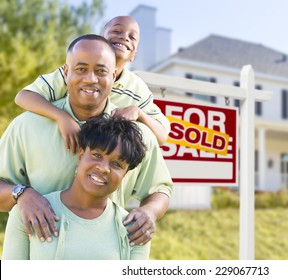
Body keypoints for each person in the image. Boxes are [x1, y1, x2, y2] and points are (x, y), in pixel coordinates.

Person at [0, 34, 172, 248]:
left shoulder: (138, 135)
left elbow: (160, 189)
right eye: (81, 69)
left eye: (101, 71)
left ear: (114, 74)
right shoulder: (26, 126)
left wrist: (150, 212)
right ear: (66, 72)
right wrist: (22, 194)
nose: (91, 79)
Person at [2, 116, 150, 260]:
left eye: (117, 164)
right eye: (97, 155)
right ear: (80, 156)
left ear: (125, 174)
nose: (104, 168)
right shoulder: (29, 212)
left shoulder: (135, 229)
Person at [15, 15, 169, 149]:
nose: (124, 37)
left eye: (132, 37)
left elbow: (162, 137)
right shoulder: (74, 73)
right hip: (61, 145)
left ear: (134, 54)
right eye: (116, 31)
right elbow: (24, 96)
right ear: (100, 40)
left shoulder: (137, 88)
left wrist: (139, 113)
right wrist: (62, 117)